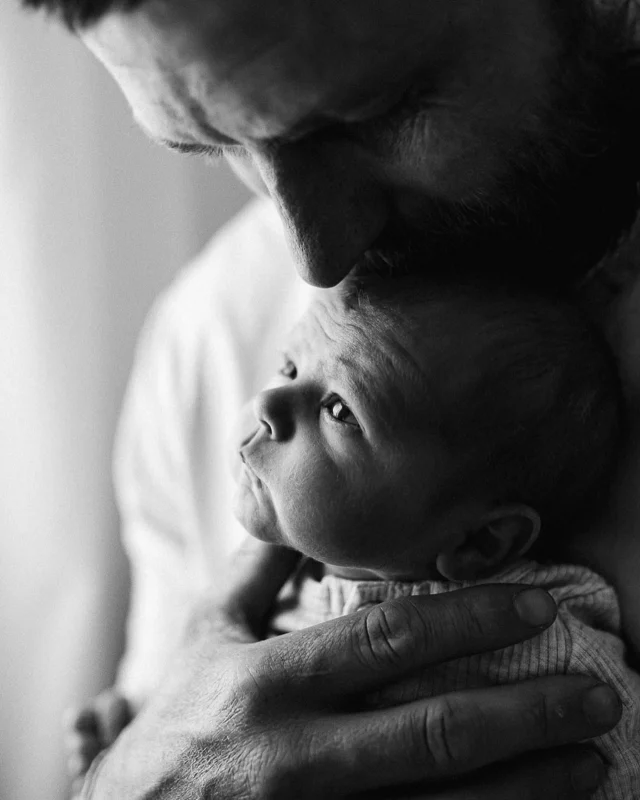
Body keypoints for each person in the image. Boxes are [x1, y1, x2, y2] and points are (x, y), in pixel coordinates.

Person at [21, 0, 640, 797]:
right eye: (212, 147)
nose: (312, 257)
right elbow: (153, 726)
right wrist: (124, 782)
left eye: (368, 114)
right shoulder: (210, 333)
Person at [66, 275, 640, 796]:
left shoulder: (549, 649)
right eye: (289, 367)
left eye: (339, 409)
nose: (267, 402)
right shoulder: (270, 588)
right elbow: (181, 748)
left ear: (480, 544)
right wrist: (122, 756)